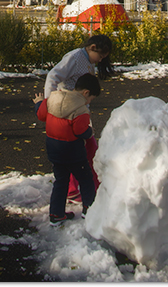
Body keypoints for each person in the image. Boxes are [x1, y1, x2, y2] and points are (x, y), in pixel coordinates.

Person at [44, 34, 113, 199]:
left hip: (80, 113)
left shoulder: (88, 60)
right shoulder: (74, 58)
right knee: (77, 152)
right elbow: (53, 76)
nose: (101, 60)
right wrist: (49, 103)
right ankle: (73, 190)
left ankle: (91, 186)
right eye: (101, 56)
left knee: (88, 149)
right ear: (92, 47)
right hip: (68, 113)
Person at [34, 73, 100, 225]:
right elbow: (80, 131)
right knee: (85, 179)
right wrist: (90, 131)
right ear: (86, 93)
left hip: (55, 151)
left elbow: (41, 115)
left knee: (61, 181)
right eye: (91, 99)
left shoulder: (52, 98)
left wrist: (38, 102)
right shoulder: (81, 110)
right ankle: (89, 208)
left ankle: (56, 214)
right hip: (74, 152)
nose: (89, 102)